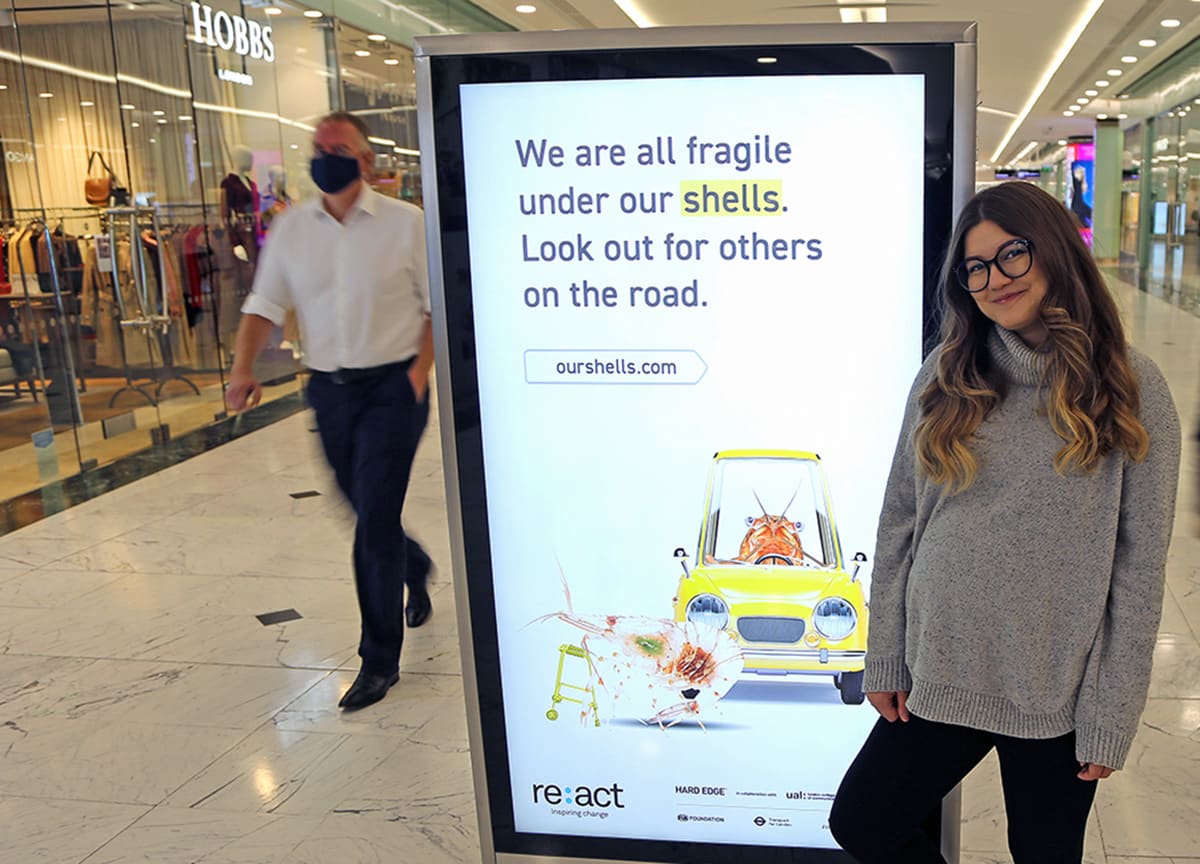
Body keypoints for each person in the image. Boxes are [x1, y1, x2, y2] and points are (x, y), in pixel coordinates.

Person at [829, 181, 1181, 863]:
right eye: (976, 267)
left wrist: (1111, 712)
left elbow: (1140, 569)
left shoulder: (1130, 389)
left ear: (1053, 251)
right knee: (862, 822)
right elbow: (899, 523)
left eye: (1011, 254)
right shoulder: (946, 375)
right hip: (939, 668)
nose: (995, 279)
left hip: (1056, 687)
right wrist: (886, 652)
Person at [226, 111, 436, 712]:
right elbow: (263, 305)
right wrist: (242, 369)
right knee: (359, 505)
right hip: (329, 390)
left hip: (393, 388)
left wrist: (417, 373)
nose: (325, 157)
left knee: (373, 518)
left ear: (365, 160)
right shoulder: (292, 229)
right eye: (318, 148)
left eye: (338, 149)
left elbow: (436, 309)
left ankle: (379, 662)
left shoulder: (406, 224)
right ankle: (414, 564)